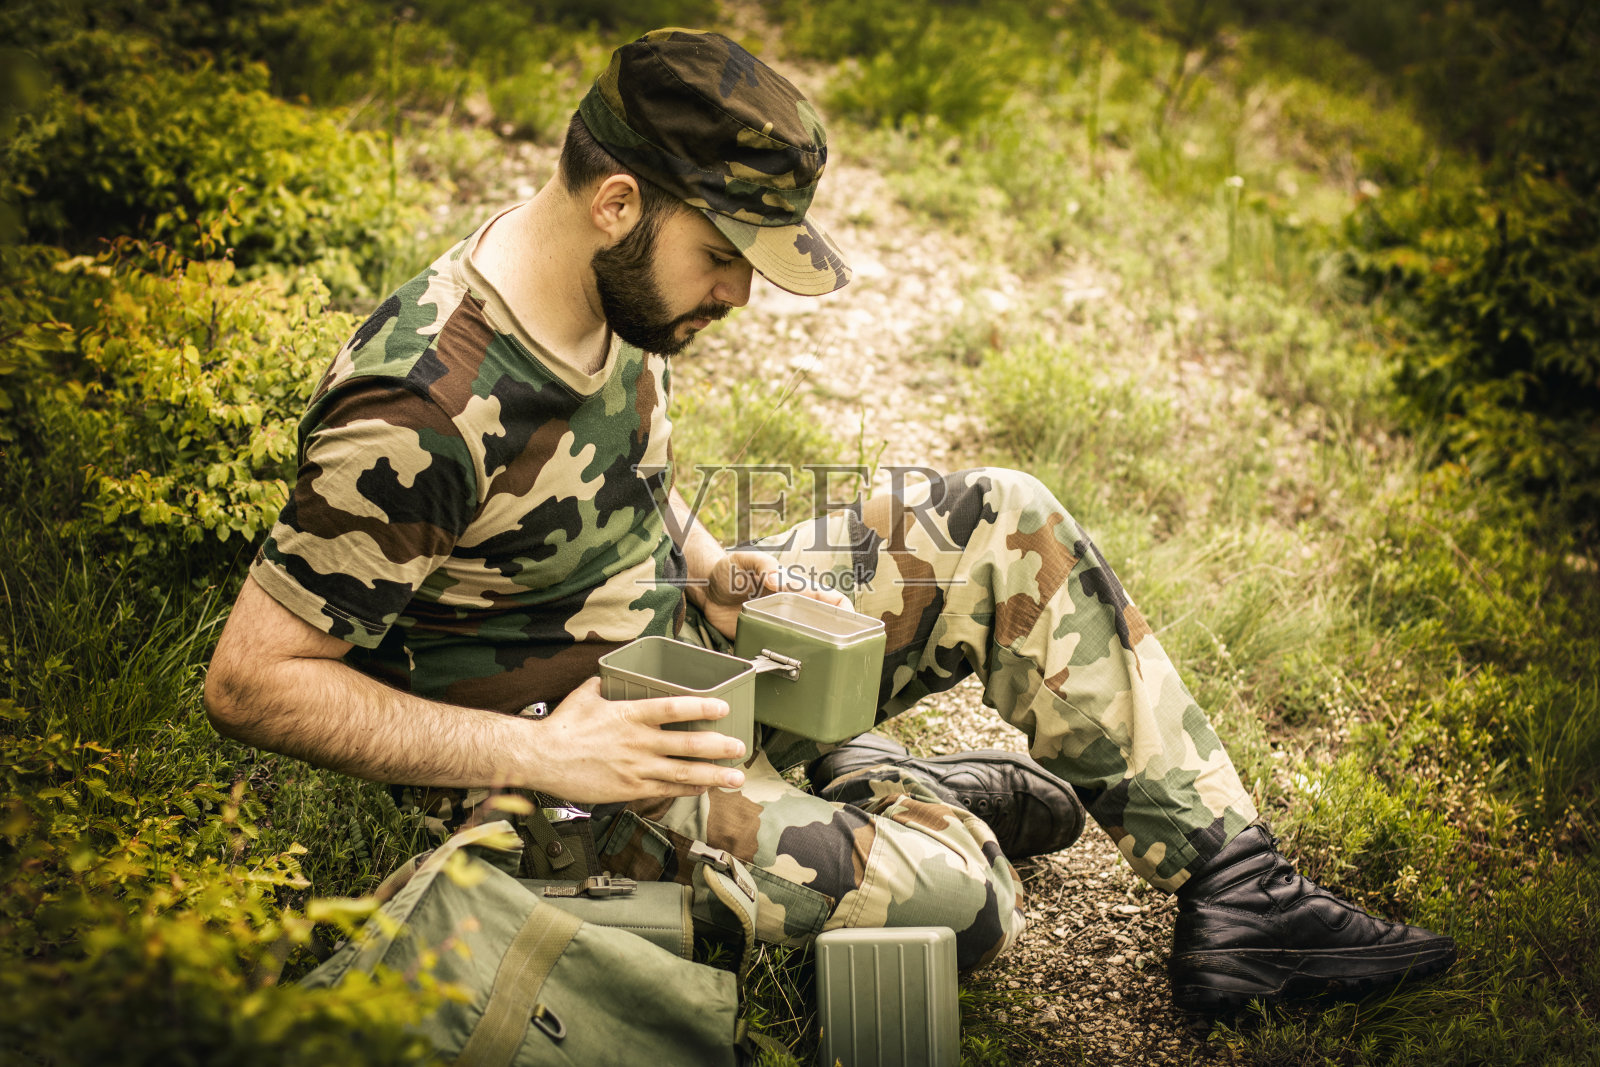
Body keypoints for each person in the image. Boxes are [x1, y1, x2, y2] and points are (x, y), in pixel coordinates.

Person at [204, 28, 1455, 1013]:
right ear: (621, 203)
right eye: (725, 255)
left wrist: (706, 559)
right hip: (579, 783)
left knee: (1000, 520)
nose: (742, 292)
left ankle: (1242, 895)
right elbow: (254, 683)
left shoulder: (610, 294)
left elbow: (596, 470)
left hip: (683, 660)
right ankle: (882, 792)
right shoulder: (420, 407)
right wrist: (545, 759)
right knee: (967, 892)